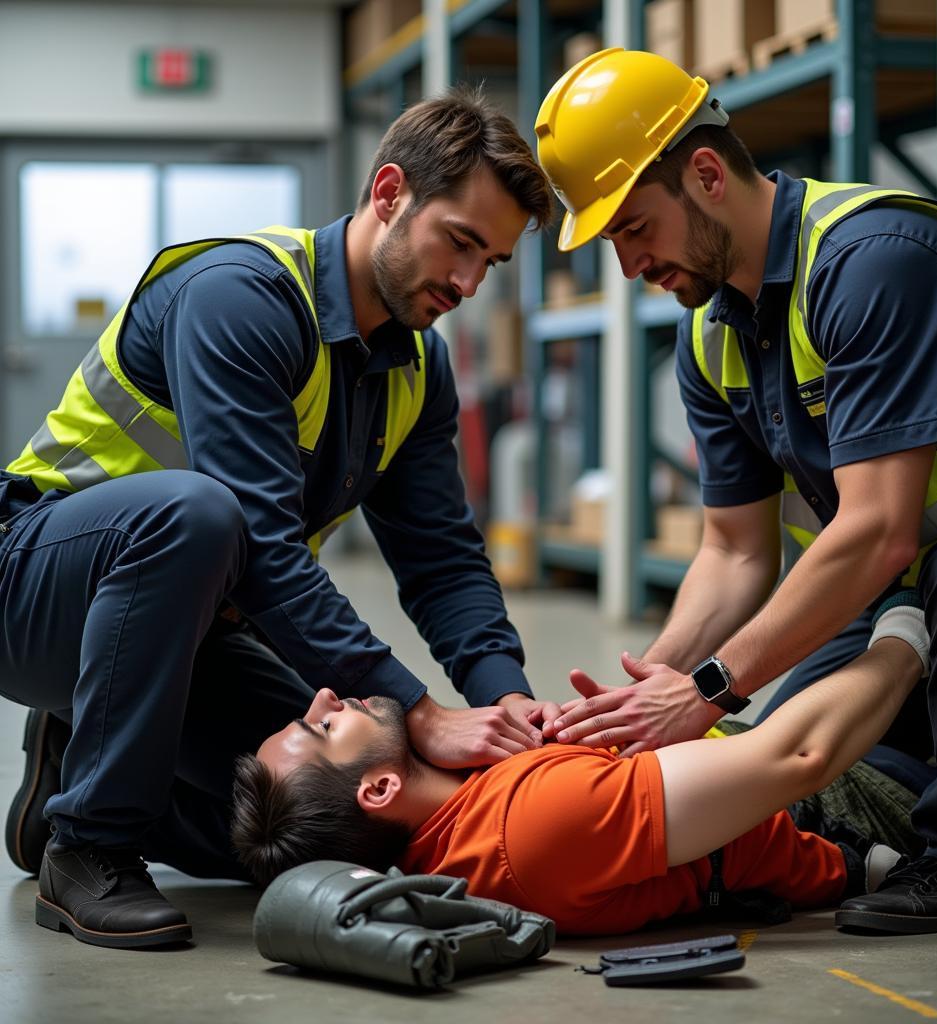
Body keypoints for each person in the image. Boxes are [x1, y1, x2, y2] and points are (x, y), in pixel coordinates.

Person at [0, 87, 557, 950]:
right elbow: (257, 541)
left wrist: (509, 706)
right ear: (388, 194)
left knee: (330, 807)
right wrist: (417, 706)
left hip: (183, 627)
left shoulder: (416, 368)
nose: (467, 282)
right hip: (35, 584)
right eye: (459, 242)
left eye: (491, 263)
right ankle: (89, 846)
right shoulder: (240, 297)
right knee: (196, 514)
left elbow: (442, 559)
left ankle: (74, 775)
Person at [529, 48, 937, 935]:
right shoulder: (711, 338)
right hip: (909, 599)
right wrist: (653, 695)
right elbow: (734, 552)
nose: (630, 262)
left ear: (708, 175)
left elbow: (877, 533)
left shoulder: (874, 261)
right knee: (771, 767)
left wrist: (714, 686)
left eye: (635, 228)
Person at [231, 604, 928, 935]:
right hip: (859, 800)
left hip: (778, 757)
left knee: (848, 589)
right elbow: (797, 757)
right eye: (321, 726)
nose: (324, 695)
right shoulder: (534, 822)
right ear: (379, 788)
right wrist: (911, 631)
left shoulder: (461, 816)